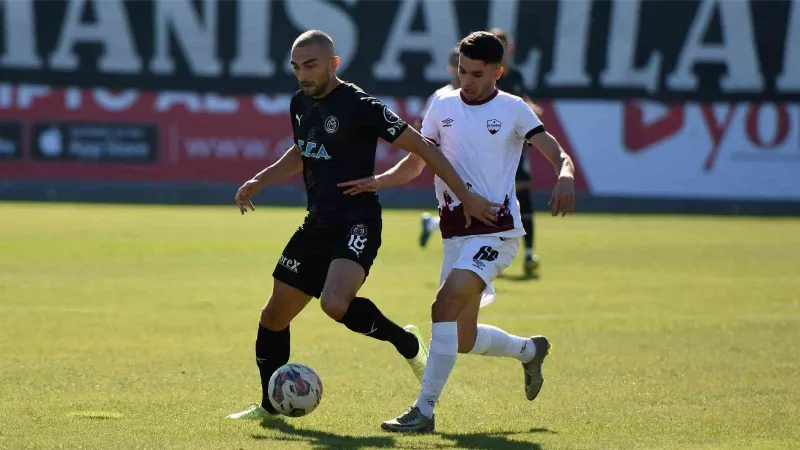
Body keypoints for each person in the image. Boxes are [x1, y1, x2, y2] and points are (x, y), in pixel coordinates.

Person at [226, 30, 501, 421]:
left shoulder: (360, 105)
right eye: (296, 67)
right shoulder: (299, 103)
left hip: (357, 220)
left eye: (311, 65)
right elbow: (303, 149)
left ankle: (406, 344)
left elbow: (423, 146)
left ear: (333, 64)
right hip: (317, 223)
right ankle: (271, 406)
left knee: (334, 303)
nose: (302, 74)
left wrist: (466, 196)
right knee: (273, 316)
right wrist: (261, 179)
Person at [337, 31, 575, 433]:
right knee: (461, 338)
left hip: (496, 233)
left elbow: (555, 152)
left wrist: (565, 174)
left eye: (478, 74)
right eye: (462, 71)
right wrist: (379, 180)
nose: (467, 80)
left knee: (442, 308)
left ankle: (424, 412)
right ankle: (530, 350)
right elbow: (418, 162)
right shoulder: (442, 104)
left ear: (498, 72)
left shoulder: (514, 109)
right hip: (455, 234)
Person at [491, 28, 542, 278]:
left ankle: (529, 252)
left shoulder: (515, 77)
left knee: (523, 195)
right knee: (494, 200)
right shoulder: (488, 77)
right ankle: (491, 252)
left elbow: (524, 102)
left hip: (515, 145)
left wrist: (532, 109)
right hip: (491, 147)